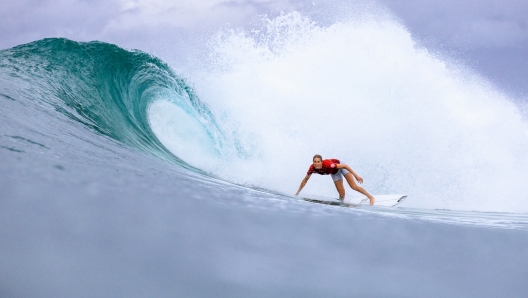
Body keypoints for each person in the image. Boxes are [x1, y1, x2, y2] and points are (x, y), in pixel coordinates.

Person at [295, 154, 375, 205]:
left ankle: (370, 197)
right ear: (313, 162)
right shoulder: (312, 168)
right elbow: (305, 180)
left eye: (318, 161)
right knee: (341, 193)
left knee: (353, 186)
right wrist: (297, 193)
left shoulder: (328, 165)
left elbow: (345, 166)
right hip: (334, 173)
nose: (317, 163)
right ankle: (341, 204)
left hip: (342, 167)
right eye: (315, 162)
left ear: (321, 162)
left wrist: (356, 176)